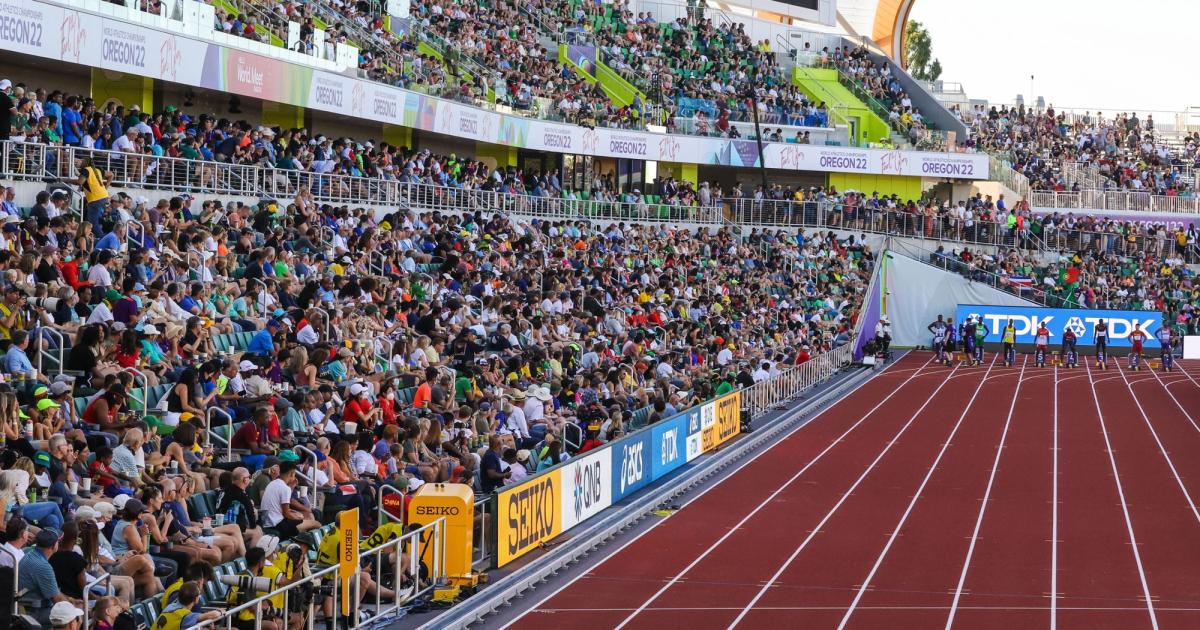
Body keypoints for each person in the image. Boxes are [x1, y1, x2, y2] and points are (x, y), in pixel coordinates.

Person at [259, 461, 320, 539]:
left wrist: (291, 486)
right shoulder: (285, 488)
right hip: (278, 524)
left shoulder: (272, 483)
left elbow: (284, 502)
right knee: (316, 524)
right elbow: (287, 514)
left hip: (269, 521)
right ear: (291, 474)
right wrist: (299, 518)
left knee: (307, 516)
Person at [155, 581, 222, 630]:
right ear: (196, 599)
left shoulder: (170, 606)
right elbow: (214, 615)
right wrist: (221, 611)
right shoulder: (186, 616)